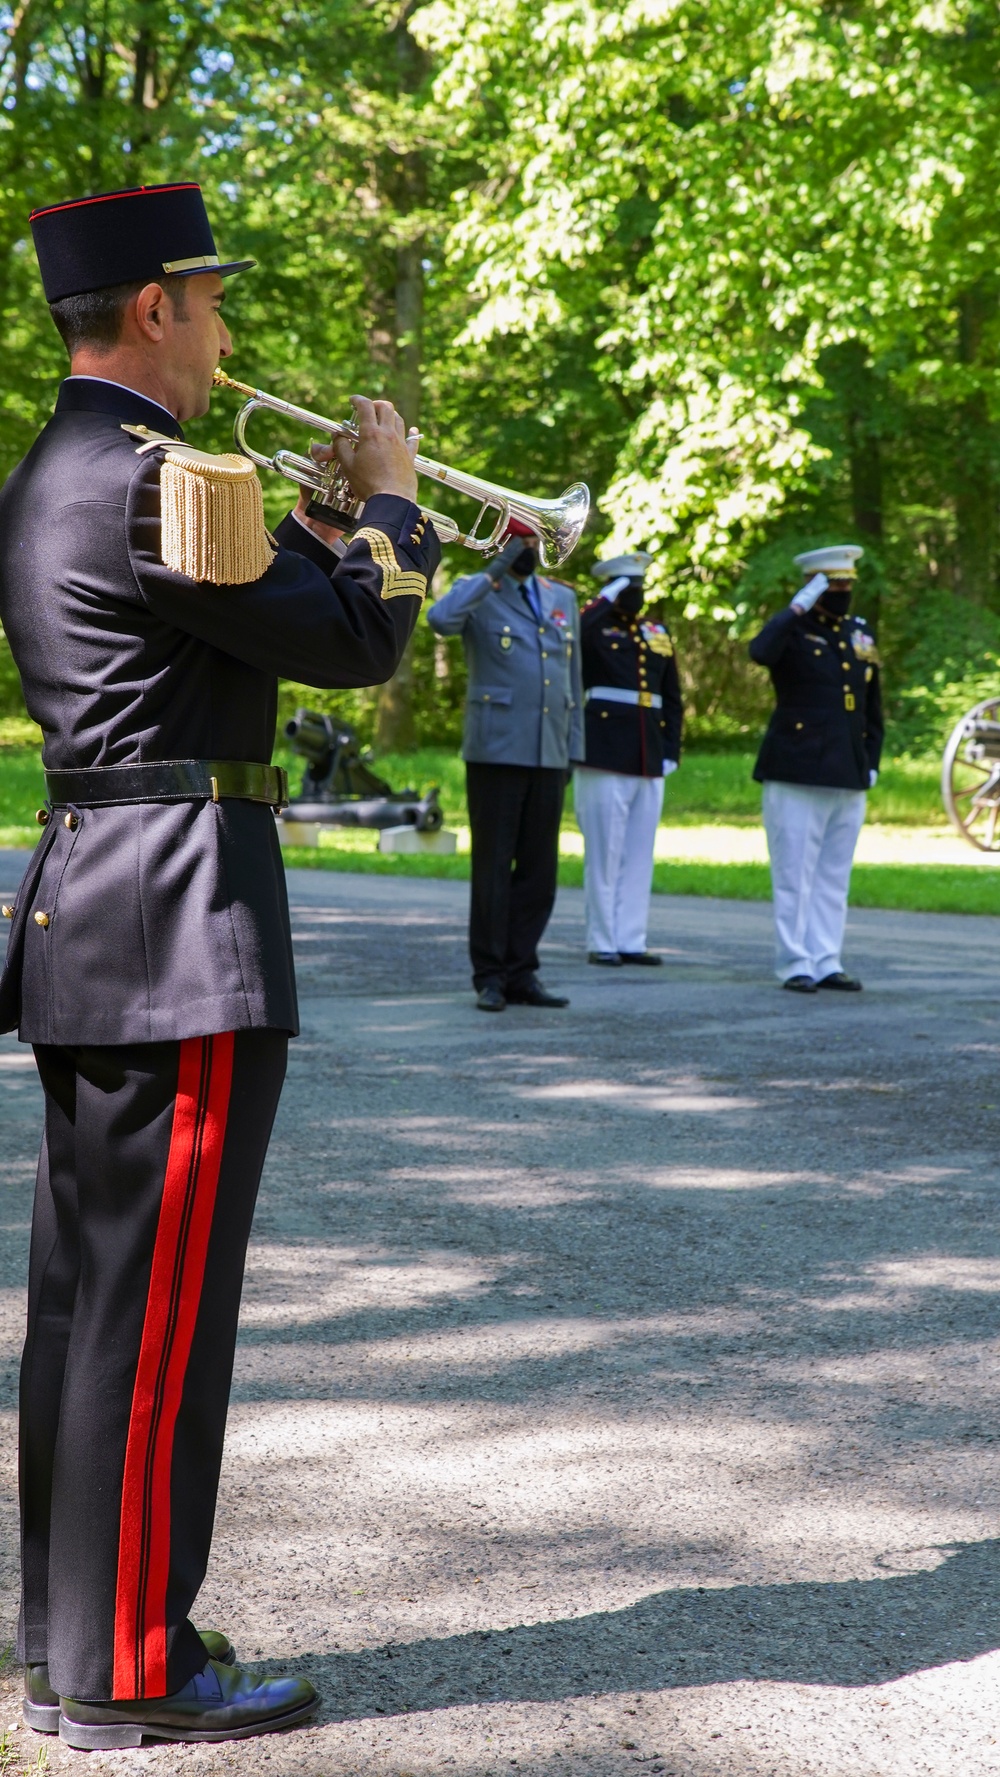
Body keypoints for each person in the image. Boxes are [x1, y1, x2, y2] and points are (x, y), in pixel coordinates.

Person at [0, 181, 439, 1749]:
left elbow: (242, 624)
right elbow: (352, 645)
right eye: (212, 299)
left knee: (90, 1310)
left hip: (105, 911)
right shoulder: (152, 475)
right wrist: (391, 503)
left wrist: (321, 526)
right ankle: (128, 1668)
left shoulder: (72, 469)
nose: (228, 330)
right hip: (177, 917)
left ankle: (78, 1642)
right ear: (150, 312)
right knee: (156, 1320)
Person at [428, 524, 583, 1011]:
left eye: (534, 542)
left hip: (548, 750)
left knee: (539, 872)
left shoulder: (561, 598)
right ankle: (490, 975)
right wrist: (494, 569)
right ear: (500, 546)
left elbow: (571, 680)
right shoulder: (476, 594)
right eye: (519, 542)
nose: (528, 551)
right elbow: (440, 620)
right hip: (496, 751)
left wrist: (572, 747)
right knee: (493, 868)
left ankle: (522, 972)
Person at [749, 545, 882, 993]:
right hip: (797, 767)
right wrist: (796, 607)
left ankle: (827, 959)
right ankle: (795, 962)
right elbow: (760, 652)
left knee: (833, 875)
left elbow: (872, 706)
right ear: (814, 585)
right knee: (794, 874)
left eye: (847, 583)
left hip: (848, 767)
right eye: (833, 583)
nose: (843, 591)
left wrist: (872, 760)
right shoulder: (792, 628)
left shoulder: (858, 633)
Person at [574, 553, 683, 965]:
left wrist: (670, 748)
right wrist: (602, 603)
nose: (635, 593)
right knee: (604, 852)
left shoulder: (655, 631)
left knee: (640, 851)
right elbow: (573, 642)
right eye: (626, 586)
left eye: (638, 584)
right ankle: (602, 939)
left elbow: (672, 699)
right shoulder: (592, 624)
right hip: (602, 750)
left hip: (648, 753)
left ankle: (631, 938)